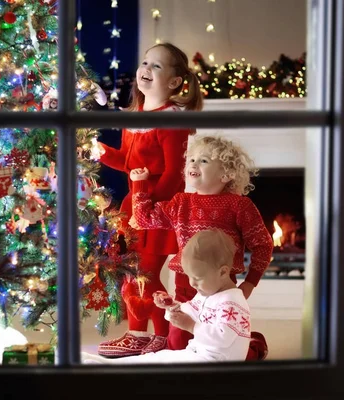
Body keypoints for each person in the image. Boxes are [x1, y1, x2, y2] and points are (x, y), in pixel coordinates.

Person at [92, 42, 203, 358]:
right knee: (133, 273)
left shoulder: (171, 120)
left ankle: (142, 334)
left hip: (158, 209)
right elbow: (127, 162)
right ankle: (160, 334)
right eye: (144, 63)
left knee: (143, 275)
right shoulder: (134, 117)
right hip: (134, 204)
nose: (145, 70)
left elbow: (173, 174)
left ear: (174, 82)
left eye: (156, 65)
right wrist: (98, 150)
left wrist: (149, 209)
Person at [129, 135, 274, 355]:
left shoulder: (239, 206)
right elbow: (143, 219)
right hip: (186, 284)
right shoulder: (180, 203)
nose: (194, 164)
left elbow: (263, 245)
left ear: (227, 174)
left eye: (204, 161)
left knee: (220, 345)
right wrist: (139, 183)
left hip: (222, 285)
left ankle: (253, 345)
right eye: (192, 160)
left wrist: (250, 282)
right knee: (177, 345)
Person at [83, 229, 251, 364]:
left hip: (217, 364)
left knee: (162, 367)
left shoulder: (232, 302)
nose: (192, 283)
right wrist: (171, 306)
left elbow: (222, 339)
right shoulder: (207, 293)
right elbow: (188, 310)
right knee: (156, 358)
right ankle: (102, 364)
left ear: (223, 272)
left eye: (197, 278)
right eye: (189, 277)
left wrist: (191, 326)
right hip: (198, 355)